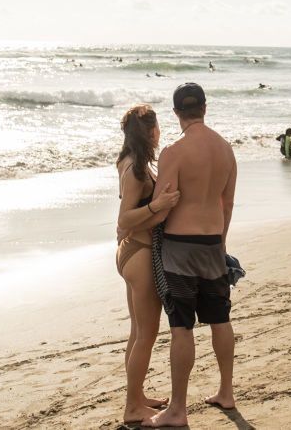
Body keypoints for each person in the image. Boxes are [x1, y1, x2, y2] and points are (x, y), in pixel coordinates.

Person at [146, 83, 238, 428]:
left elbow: (161, 207)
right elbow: (226, 203)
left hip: (180, 249)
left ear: (175, 113)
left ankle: (178, 409)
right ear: (205, 108)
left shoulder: (174, 151)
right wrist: (222, 243)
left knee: (182, 326)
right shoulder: (226, 150)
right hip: (214, 243)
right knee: (220, 320)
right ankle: (226, 392)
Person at [115, 106, 182, 424]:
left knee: (137, 331)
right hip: (138, 254)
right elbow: (124, 217)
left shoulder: (130, 161)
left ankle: (137, 396)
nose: (160, 132)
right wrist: (158, 204)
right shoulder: (136, 170)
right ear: (150, 132)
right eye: (157, 127)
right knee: (148, 334)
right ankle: (132, 407)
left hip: (131, 251)